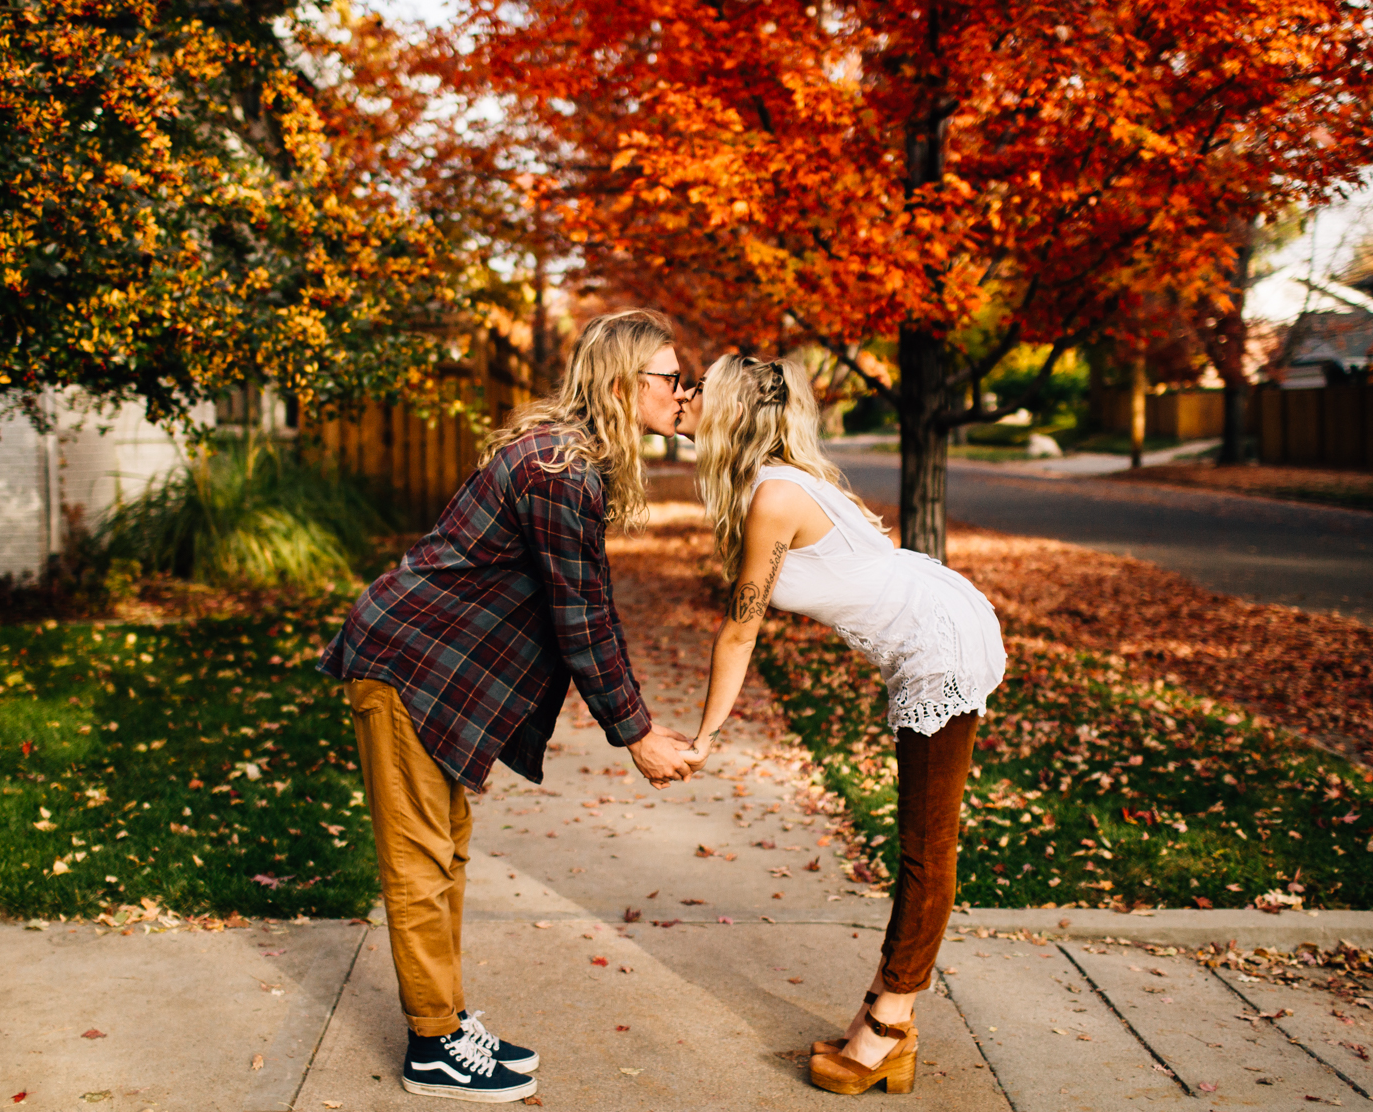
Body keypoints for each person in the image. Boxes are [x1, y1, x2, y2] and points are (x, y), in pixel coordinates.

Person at [316, 309, 697, 1103]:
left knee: (445, 851)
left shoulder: (571, 459)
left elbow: (579, 607)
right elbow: (582, 613)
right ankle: (433, 1046)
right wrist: (639, 734)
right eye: (671, 377)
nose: (683, 390)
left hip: (439, 672)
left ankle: (447, 1020)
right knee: (421, 861)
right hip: (412, 664)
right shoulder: (560, 469)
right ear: (626, 383)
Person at [674, 354, 1007, 1097]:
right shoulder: (783, 481)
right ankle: (883, 1017)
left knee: (927, 847)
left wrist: (703, 738)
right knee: (921, 843)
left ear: (728, 411)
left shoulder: (774, 495)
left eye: (699, 389)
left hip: (941, 646)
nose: (686, 397)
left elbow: (740, 630)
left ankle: (888, 1028)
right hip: (935, 620)